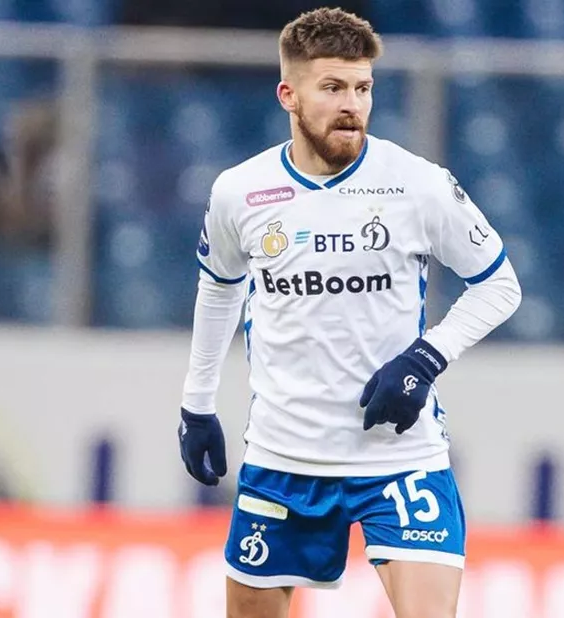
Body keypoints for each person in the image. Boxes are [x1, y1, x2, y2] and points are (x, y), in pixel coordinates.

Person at [176, 8, 522, 618]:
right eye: (332, 88)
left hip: (399, 456)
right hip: (285, 457)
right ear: (288, 95)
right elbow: (219, 289)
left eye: (362, 88)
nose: (351, 105)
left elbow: (500, 285)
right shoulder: (241, 191)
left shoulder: (417, 184)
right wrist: (196, 405)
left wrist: (424, 359)